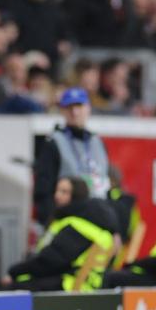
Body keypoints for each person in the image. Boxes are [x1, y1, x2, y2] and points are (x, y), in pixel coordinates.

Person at [6, 177, 117, 292]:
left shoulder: (77, 225)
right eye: (57, 191)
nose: (57, 196)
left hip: (69, 285)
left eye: (64, 192)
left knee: (11, 289)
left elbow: (50, 262)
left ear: (77, 195)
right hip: (85, 285)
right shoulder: (92, 221)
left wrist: (14, 271)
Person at [33, 87, 110, 227]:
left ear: (88, 108)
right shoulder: (54, 143)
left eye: (79, 106)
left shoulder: (97, 142)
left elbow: (105, 183)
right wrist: (50, 221)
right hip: (68, 220)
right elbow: (43, 190)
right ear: (62, 111)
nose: (74, 112)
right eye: (69, 107)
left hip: (98, 218)